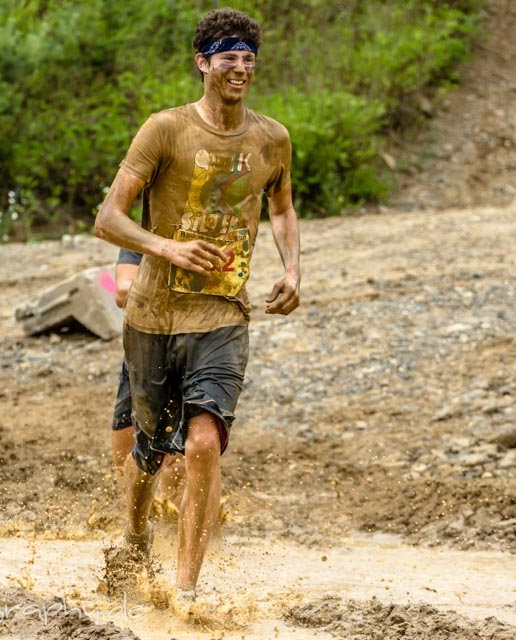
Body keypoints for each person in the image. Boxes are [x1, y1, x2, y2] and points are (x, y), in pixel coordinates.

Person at [93, 7, 300, 617]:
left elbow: (281, 209)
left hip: (223, 315)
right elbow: (108, 219)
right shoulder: (164, 130)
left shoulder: (272, 138)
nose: (241, 67)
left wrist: (292, 269)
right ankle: (133, 540)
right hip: (154, 317)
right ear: (203, 63)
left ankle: (185, 592)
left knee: (205, 443)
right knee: (147, 452)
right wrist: (164, 247)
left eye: (249, 58)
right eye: (228, 56)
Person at [110, 247, 183, 512]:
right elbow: (122, 291)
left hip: (194, 344)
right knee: (125, 440)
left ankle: (176, 516)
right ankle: (138, 512)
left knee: (182, 445)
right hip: (146, 341)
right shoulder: (144, 232)